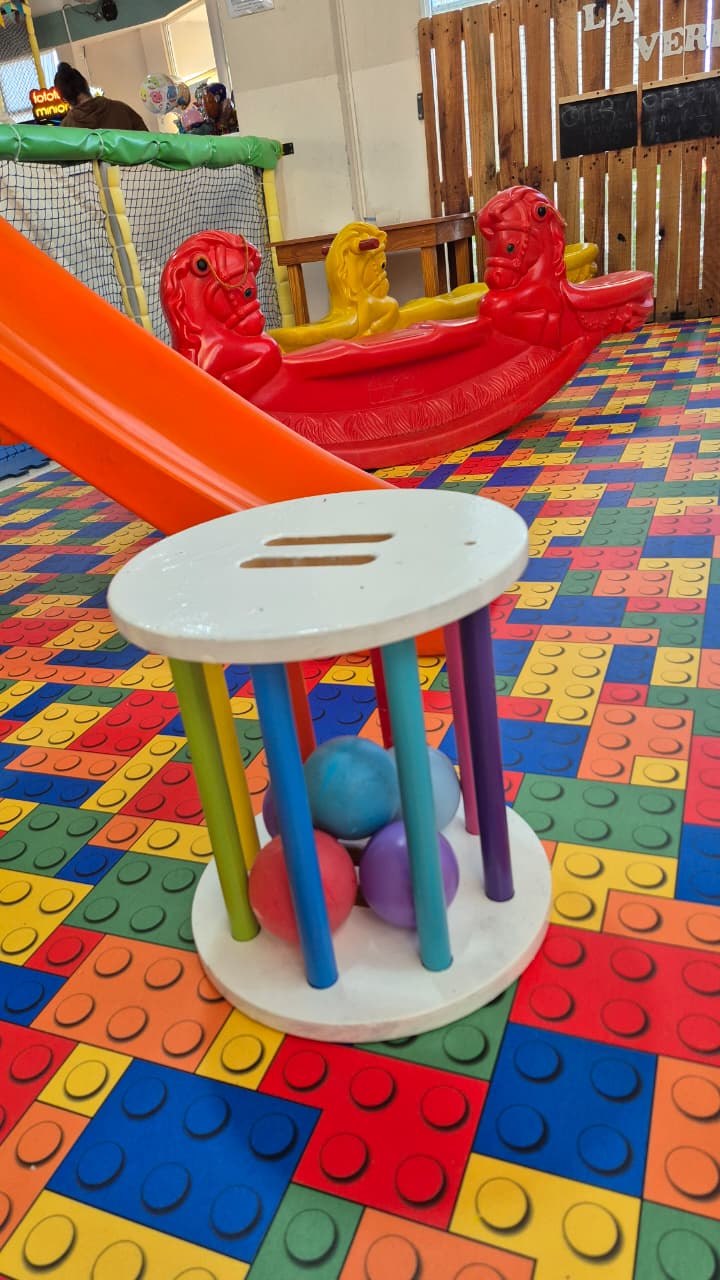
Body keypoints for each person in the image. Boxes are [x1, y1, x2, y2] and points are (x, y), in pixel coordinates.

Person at [54, 63, 148, 132]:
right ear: (85, 83)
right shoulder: (121, 109)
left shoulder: (66, 129)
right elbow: (149, 144)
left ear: (64, 99)